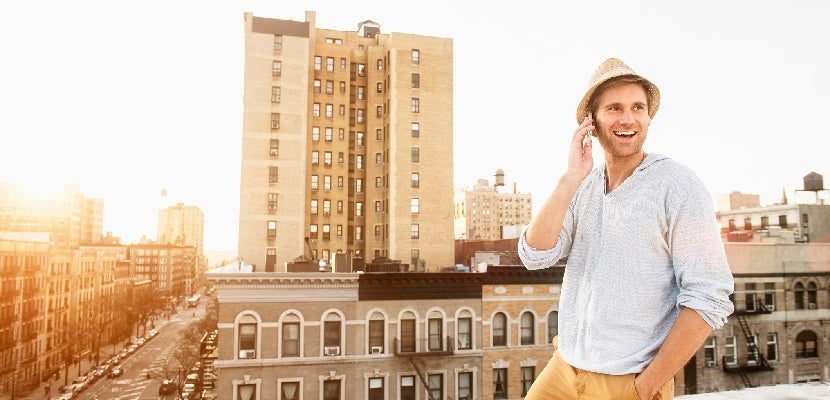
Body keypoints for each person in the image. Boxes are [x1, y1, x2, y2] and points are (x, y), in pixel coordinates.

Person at [519, 58, 734, 400]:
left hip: (627, 381)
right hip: (564, 369)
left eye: (638, 108)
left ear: (649, 117)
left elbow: (709, 295)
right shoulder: (584, 185)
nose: (628, 119)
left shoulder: (677, 185)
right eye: (614, 108)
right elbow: (535, 255)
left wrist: (645, 386)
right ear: (591, 122)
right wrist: (570, 178)